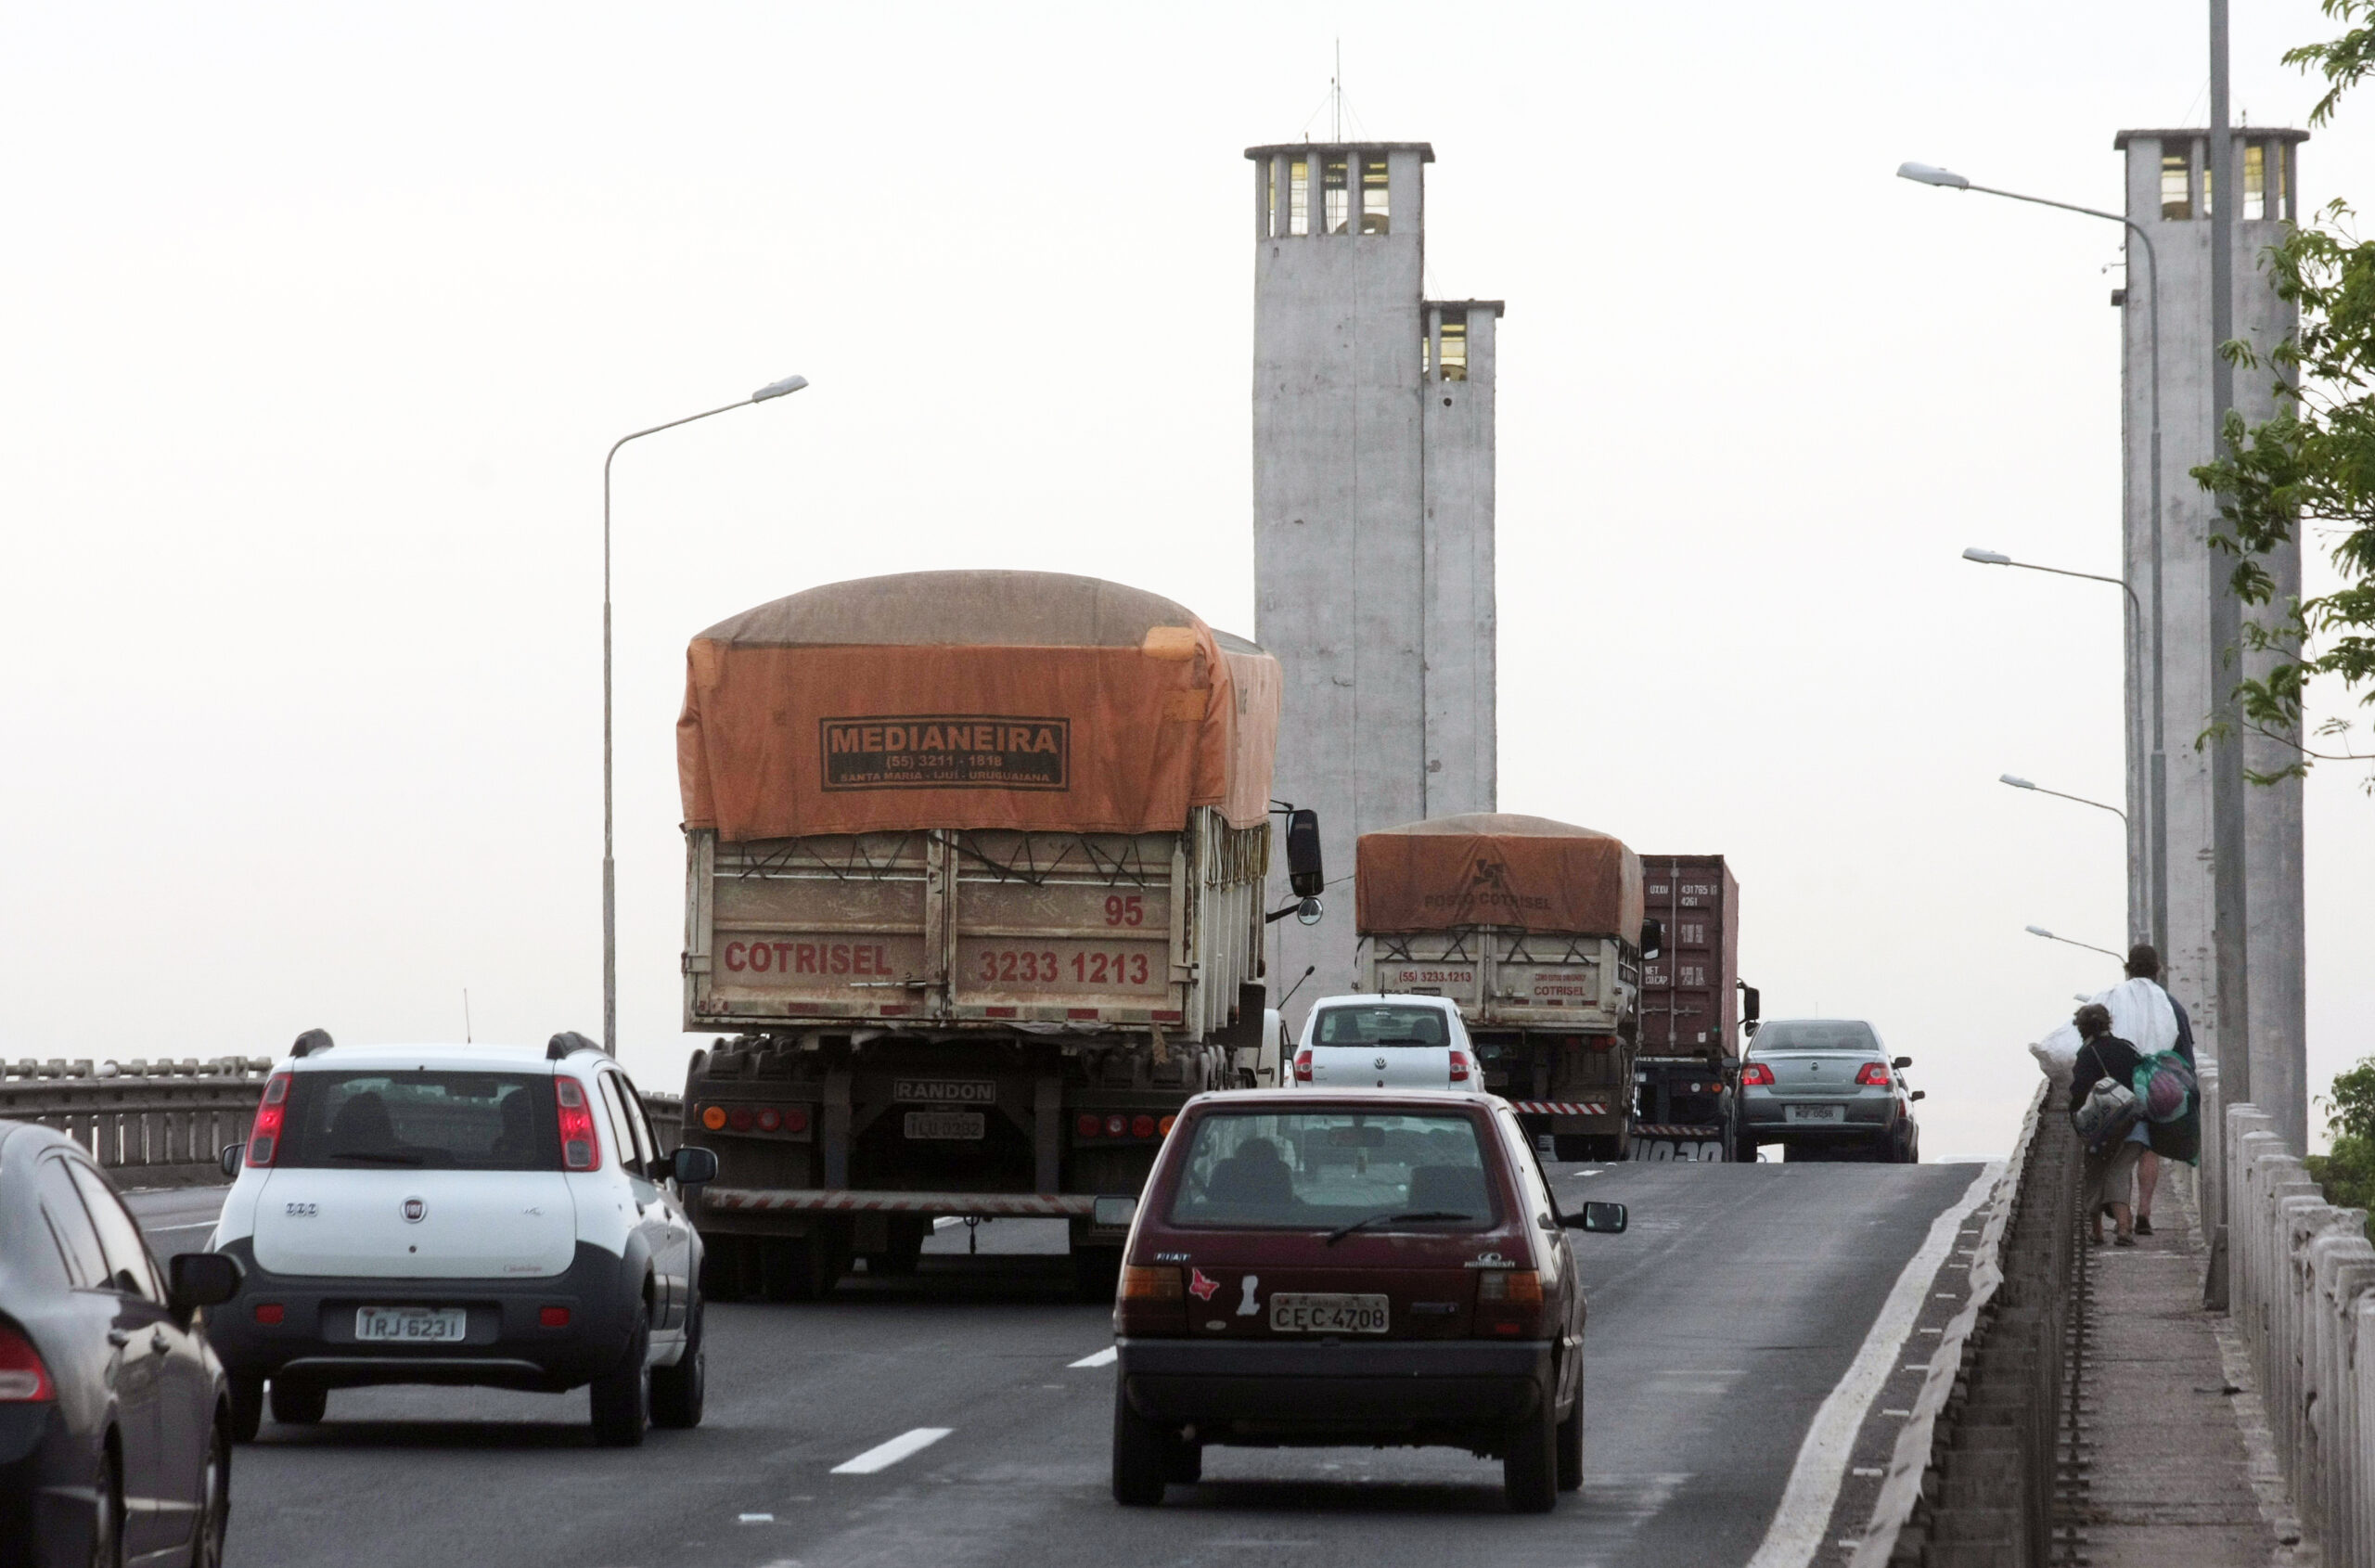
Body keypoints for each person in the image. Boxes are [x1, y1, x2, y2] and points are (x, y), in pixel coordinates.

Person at [2099, 944, 2199, 1236]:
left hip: (2120, 1084)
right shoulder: (2171, 1005)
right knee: (2150, 1149)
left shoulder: (2114, 999)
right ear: (2158, 970)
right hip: (2158, 1087)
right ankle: (2144, 1210)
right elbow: (2185, 1055)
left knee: (2122, 1151)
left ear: (2127, 968)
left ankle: (2123, 1217)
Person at [2068, 1002, 2147, 1248]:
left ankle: (2098, 1232)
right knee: (2120, 1173)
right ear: (2108, 1023)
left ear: (2082, 1029)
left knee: (2095, 1174)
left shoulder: (2087, 1054)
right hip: (2134, 1124)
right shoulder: (2128, 1048)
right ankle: (2124, 1228)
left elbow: (2079, 1093)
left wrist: (2076, 1116)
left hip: (2102, 1129)